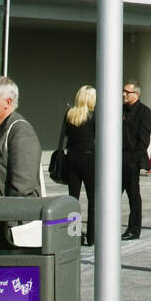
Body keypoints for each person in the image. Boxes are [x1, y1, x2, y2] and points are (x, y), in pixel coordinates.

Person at [0, 76, 42, 252]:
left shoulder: (20, 131)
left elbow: (22, 187)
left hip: (9, 232)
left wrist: (8, 222)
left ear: (7, 102)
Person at [62, 84, 96, 246]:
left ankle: (73, 235)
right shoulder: (94, 115)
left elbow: (64, 136)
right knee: (93, 199)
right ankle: (92, 236)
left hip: (72, 158)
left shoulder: (70, 114)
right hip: (90, 158)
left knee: (73, 199)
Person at [121, 80, 151, 240]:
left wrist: (134, 159)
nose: (123, 94)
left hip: (131, 159)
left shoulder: (143, 111)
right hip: (117, 158)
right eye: (123, 91)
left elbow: (144, 139)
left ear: (136, 94)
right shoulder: (120, 110)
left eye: (127, 92)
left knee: (133, 195)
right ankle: (106, 226)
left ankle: (134, 229)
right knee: (110, 194)